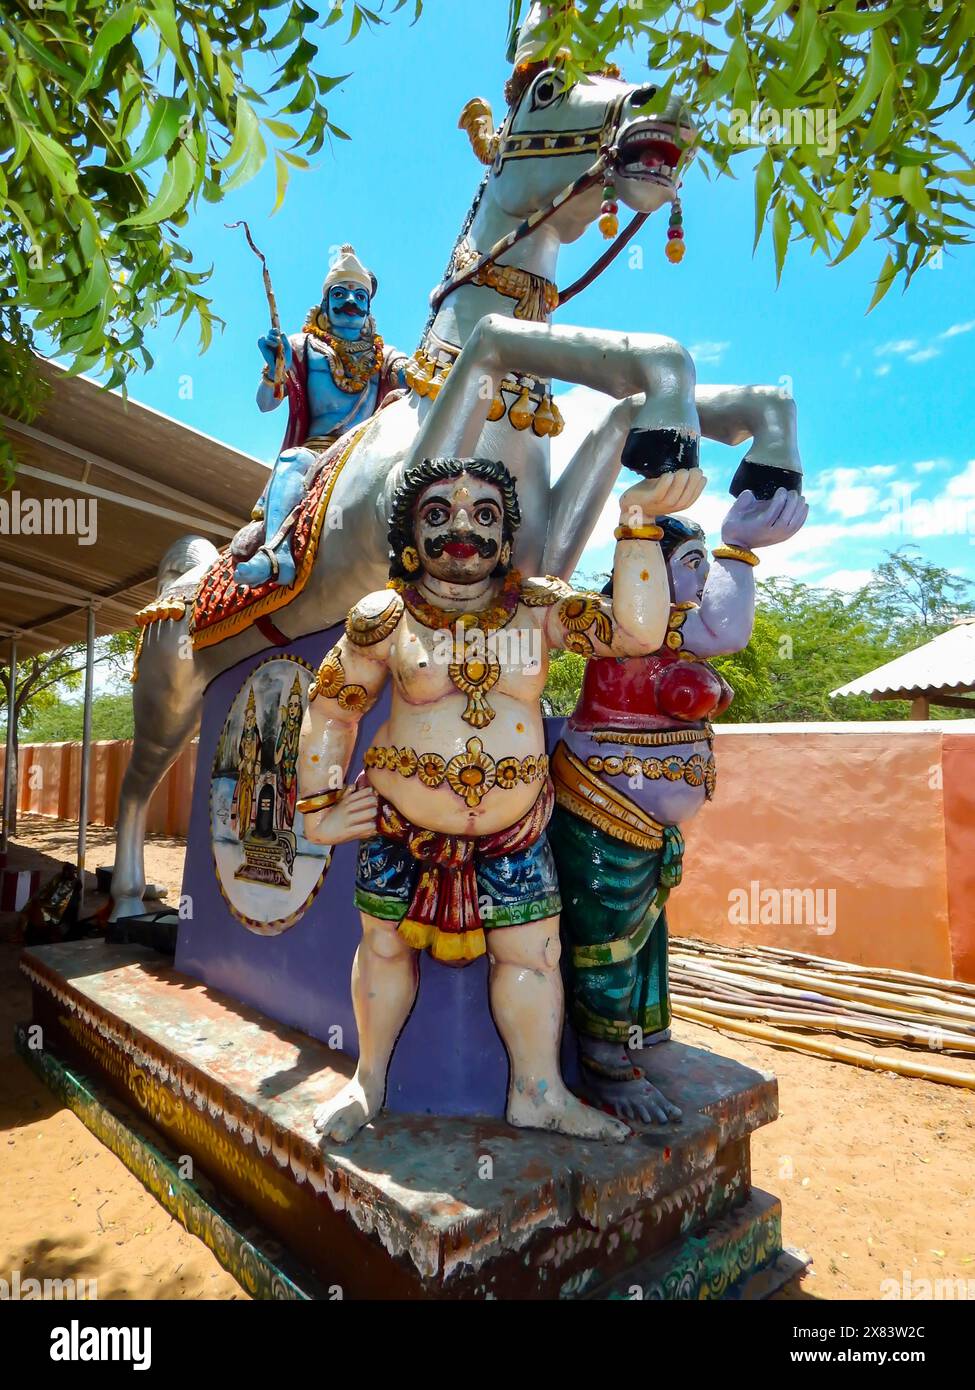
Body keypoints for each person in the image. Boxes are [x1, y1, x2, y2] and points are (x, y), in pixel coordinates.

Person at [296, 453, 705, 1144]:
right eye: (439, 515)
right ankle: (367, 1081)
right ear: (409, 539)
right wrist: (319, 808)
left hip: (515, 832)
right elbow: (332, 709)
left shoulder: (541, 608)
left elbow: (633, 634)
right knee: (385, 950)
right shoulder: (382, 618)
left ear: (506, 541)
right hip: (402, 828)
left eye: (484, 515)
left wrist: (635, 525)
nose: (463, 529)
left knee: (534, 958)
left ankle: (537, 1093)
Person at [233, 246, 408, 588]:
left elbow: (413, 378)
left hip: (368, 450)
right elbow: (265, 404)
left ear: (369, 306)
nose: (351, 302)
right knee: (290, 460)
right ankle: (275, 553)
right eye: (340, 294)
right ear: (326, 303)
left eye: (360, 296)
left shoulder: (383, 354)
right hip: (316, 452)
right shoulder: (302, 347)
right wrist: (274, 368)